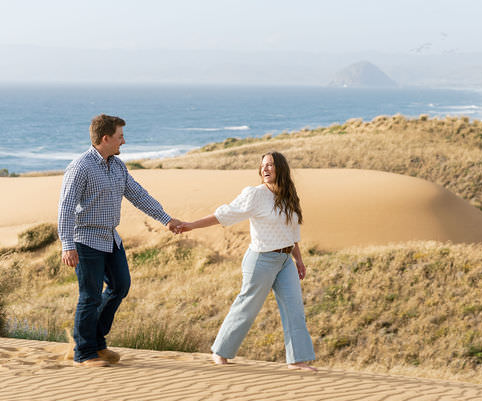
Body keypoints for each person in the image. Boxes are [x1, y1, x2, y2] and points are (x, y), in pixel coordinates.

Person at [57, 114, 183, 367]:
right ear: (105, 138)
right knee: (90, 296)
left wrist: (166, 219)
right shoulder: (80, 167)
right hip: (86, 240)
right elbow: (66, 207)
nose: (123, 142)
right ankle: (84, 353)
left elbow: (138, 195)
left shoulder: (118, 166)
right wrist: (67, 245)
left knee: (120, 286)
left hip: (111, 239)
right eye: (119, 137)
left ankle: (94, 341)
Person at [175, 151, 317, 371]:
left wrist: (298, 259)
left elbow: (292, 231)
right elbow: (225, 214)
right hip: (262, 259)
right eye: (263, 166)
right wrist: (191, 225)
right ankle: (220, 352)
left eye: (270, 165)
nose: (265, 169)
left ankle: (297, 360)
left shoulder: (289, 195)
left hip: (285, 260)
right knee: (247, 306)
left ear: (281, 168)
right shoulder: (255, 195)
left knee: (294, 308)